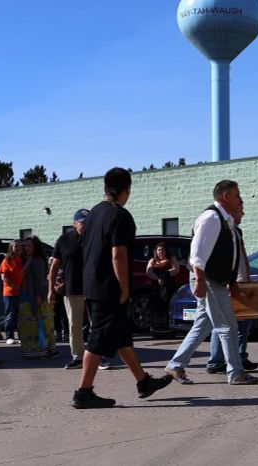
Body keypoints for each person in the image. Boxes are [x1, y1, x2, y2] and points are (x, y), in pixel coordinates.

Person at [72, 167, 173, 409]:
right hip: (110, 288)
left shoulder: (94, 213)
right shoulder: (121, 216)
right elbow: (118, 255)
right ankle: (83, 392)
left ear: (105, 188)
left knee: (121, 336)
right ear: (127, 189)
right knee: (98, 338)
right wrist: (124, 288)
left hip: (93, 285)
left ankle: (143, 382)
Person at [164, 180, 258, 386]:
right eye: (236, 195)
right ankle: (236, 372)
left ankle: (175, 365)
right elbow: (196, 254)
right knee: (227, 326)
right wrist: (199, 280)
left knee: (203, 325)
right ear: (225, 196)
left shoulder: (227, 221)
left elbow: (231, 256)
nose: (239, 199)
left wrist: (232, 281)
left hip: (213, 279)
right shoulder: (211, 217)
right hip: (206, 279)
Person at [206, 198, 258, 375]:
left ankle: (239, 355)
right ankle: (216, 360)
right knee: (223, 323)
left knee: (242, 323)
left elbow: (241, 258)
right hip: (232, 282)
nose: (242, 214)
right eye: (240, 209)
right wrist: (231, 280)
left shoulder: (237, 231)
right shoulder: (223, 228)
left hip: (240, 280)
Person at [49, 209, 88, 369]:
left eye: (87, 222)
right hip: (72, 289)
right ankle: (78, 357)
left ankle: (99, 356)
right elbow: (54, 266)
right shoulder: (64, 240)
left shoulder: (96, 238)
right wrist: (50, 289)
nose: (84, 226)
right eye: (82, 223)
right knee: (74, 324)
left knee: (96, 324)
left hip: (94, 287)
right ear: (74, 223)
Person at [20, 236, 57, 359]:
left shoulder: (38, 260)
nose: (26, 248)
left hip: (36, 296)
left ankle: (42, 349)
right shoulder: (28, 259)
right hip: (27, 295)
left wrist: (38, 296)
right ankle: (33, 349)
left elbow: (40, 280)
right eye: (25, 245)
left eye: (29, 246)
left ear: (35, 247)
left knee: (39, 324)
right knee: (29, 324)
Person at [146, 242, 179, 338]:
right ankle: (157, 331)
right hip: (156, 289)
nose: (161, 252)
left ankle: (169, 331)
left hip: (169, 288)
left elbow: (176, 270)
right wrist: (158, 278)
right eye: (159, 250)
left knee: (167, 309)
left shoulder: (171, 259)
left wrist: (165, 275)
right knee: (156, 310)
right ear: (156, 251)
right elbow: (149, 272)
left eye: (163, 250)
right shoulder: (152, 261)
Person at [0, 241, 23, 344]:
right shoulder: (7, 260)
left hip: (21, 292)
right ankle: (9, 336)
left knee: (21, 315)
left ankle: (21, 336)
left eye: (19, 246)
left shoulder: (22, 259)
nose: (17, 248)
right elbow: (3, 277)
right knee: (10, 315)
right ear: (11, 248)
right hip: (10, 293)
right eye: (15, 246)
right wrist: (14, 286)